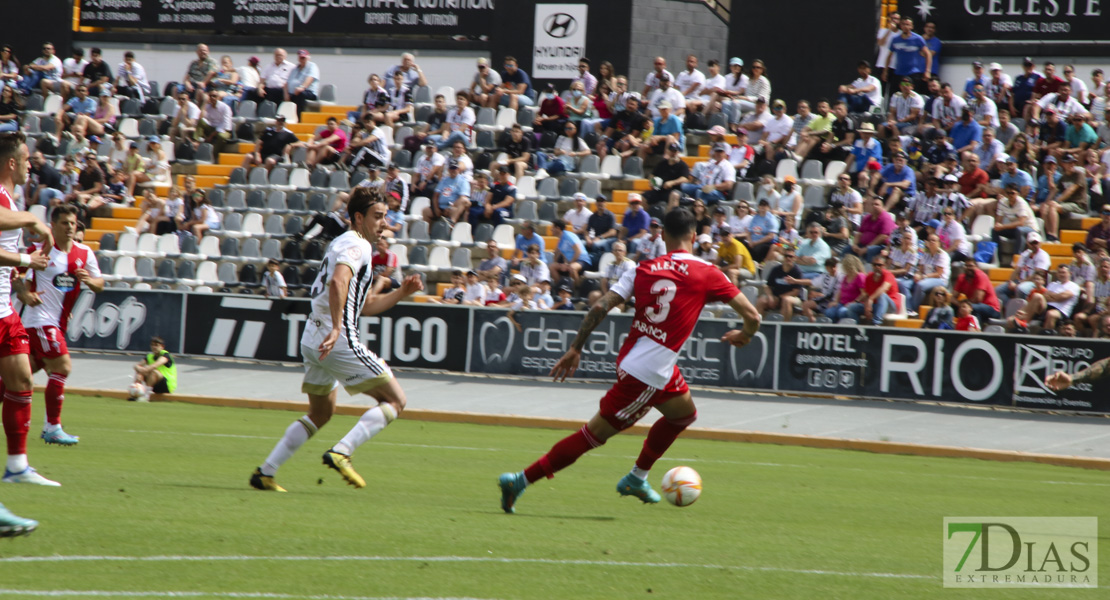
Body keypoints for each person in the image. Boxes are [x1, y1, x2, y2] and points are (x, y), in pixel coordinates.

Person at [497, 208, 761, 513]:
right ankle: (520, 480)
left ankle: (637, 477)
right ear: (694, 235)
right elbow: (752, 315)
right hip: (647, 375)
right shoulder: (708, 273)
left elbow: (599, 308)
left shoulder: (643, 268)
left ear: (662, 236)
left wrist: (575, 348)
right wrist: (746, 335)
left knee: (683, 415)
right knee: (591, 436)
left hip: (640, 362)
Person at [251, 188, 423, 492]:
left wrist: (401, 293)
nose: (384, 223)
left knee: (320, 413)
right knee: (396, 400)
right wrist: (336, 329)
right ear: (359, 218)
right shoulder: (356, 245)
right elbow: (338, 281)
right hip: (336, 338)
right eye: (378, 216)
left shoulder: (347, 244)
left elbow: (365, 305)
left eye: (386, 216)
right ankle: (342, 451)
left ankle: (265, 472)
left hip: (313, 337)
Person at [16, 204, 102, 446]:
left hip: (56, 324)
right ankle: (53, 427)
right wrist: (24, 295)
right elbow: (13, 273)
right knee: (62, 366)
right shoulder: (40, 250)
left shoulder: (84, 253)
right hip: (40, 321)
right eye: (65, 223)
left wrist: (91, 282)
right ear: (52, 225)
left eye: (73, 223)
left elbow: (101, 284)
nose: (70, 227)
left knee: (17, 378)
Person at [0, 132, 56, 486]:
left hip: (3, 308)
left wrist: (20, 273)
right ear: (11, 163)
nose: (30, 166)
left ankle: (18, 465)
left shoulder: (9, 201)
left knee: (20, 378)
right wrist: (31, 230)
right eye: (26, 160)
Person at [757, 247, 804, 320]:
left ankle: (784, 326)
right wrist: (770, 297)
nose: (788, 258)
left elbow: (796, 292)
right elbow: (768, 286)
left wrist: (779, 298)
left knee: (786, 300)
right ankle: (758, 325)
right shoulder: (776, 269)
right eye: (786, 256)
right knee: (761, 300)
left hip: (793, 298)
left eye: (791, 256)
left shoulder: (797, 272)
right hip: (776, 297)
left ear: (794, 258)